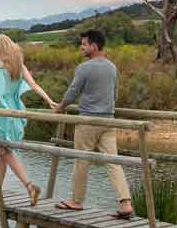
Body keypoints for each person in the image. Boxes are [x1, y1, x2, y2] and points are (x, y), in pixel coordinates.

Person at [54, 28, 134, 217]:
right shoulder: (112, 67)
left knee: (81, 161)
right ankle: (125, 202)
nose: (81, 48)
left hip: (88, 121)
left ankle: (76, 201)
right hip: (108, 120)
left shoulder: (84, 68)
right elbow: (114, 94)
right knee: (113, 162)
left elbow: (73, 93)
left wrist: (59, 107)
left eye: (84, 45)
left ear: (94, 46)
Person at [0, 33, 57, 205]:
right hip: (15, 110)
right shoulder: (19, 65)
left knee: (5, 151)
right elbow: (34, 85)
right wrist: (49, 101)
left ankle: (29, 186)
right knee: (2, 153)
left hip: (3, 111)